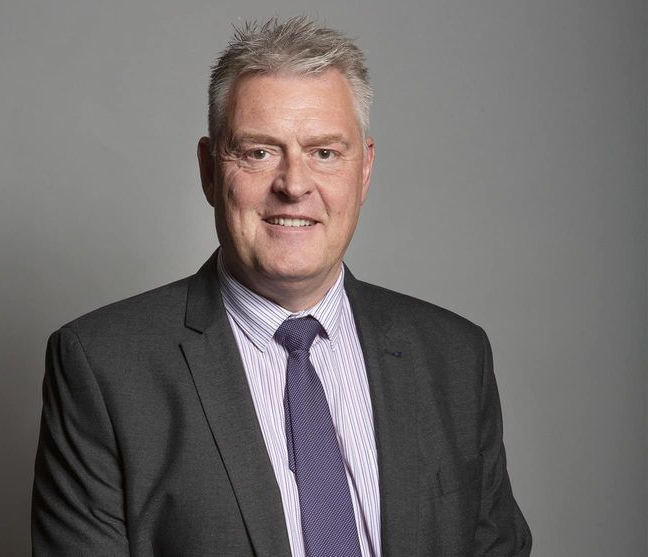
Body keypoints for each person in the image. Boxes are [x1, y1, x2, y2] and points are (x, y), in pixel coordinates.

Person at [32, 16, 531, 556]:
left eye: (324, 153)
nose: (294, 185)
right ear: (208, 170)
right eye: (258, 152)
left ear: (364, 170)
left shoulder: (455, 356)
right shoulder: (105, 367)